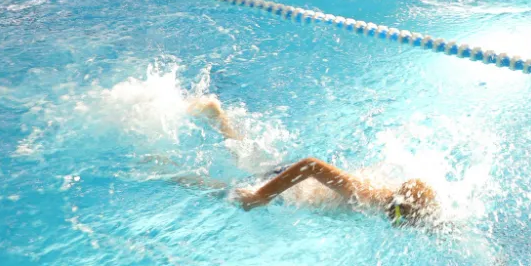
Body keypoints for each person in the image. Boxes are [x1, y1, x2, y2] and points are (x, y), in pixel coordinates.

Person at [185, 97, 440, 226]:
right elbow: (311, 165)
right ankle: (167, 170)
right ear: (398, 216)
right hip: (287, 188)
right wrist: (261, 196)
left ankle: (217, 116)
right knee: (219, 192)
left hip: (289, 182)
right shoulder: (366, 196)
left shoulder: (388, 200)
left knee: (246, 159)